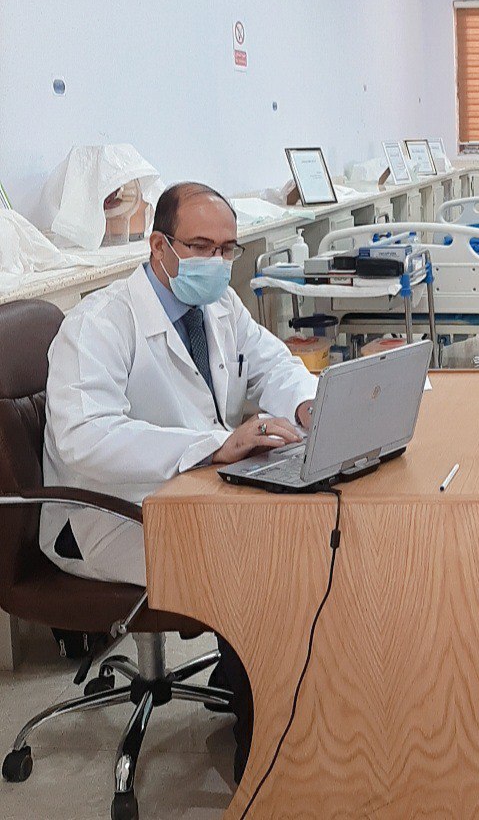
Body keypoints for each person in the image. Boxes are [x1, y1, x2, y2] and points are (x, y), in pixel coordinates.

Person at [42, 181, 320, 782]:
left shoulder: (220, 307)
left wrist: (305, 405)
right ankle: (262, 748)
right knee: (258, 559)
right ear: (158, 246)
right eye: (199, 246)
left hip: (191, 498)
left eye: (226, 249)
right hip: (105, 516)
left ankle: (254, 678)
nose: (215, 262)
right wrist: (213, 446)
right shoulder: (99, 323)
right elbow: (82, 438)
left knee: (304, 528)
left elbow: (274, 364)